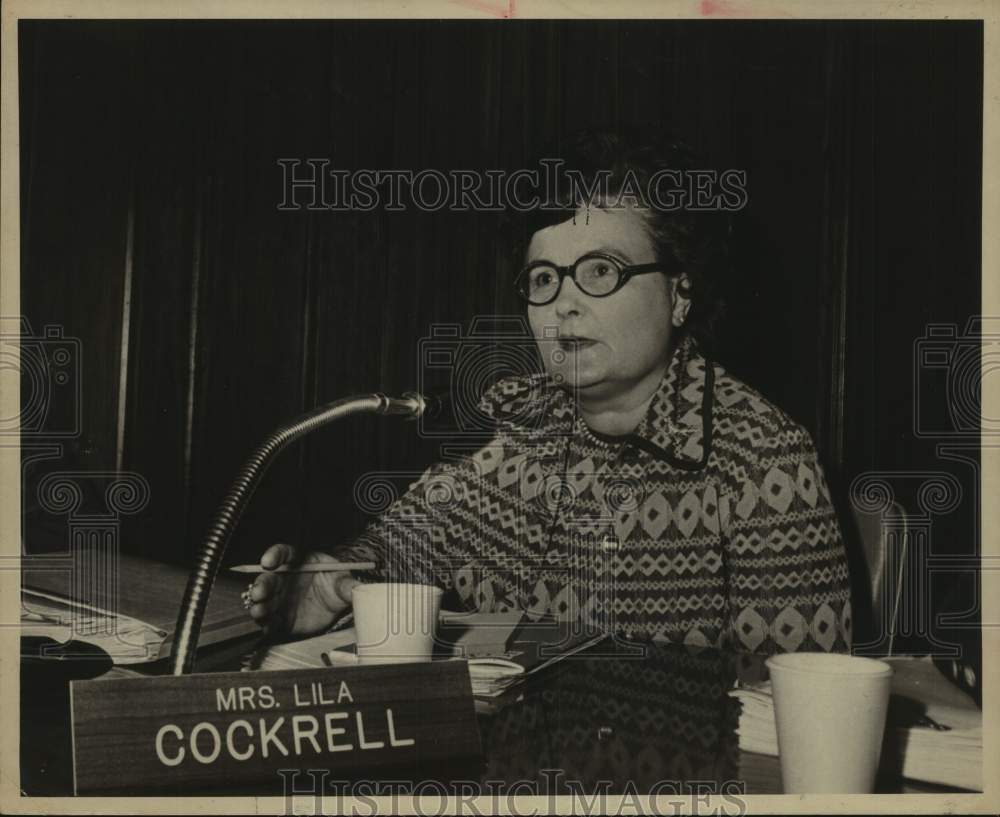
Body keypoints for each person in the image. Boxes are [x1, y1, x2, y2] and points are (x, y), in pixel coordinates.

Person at [248, 129, 853, 655]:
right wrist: (337, 579)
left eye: (600, 271)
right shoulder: (520, 424)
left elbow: (797, 699)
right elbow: (407, 544)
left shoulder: (763, 459)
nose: (564, 303)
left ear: (680, 293)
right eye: (544, 278)